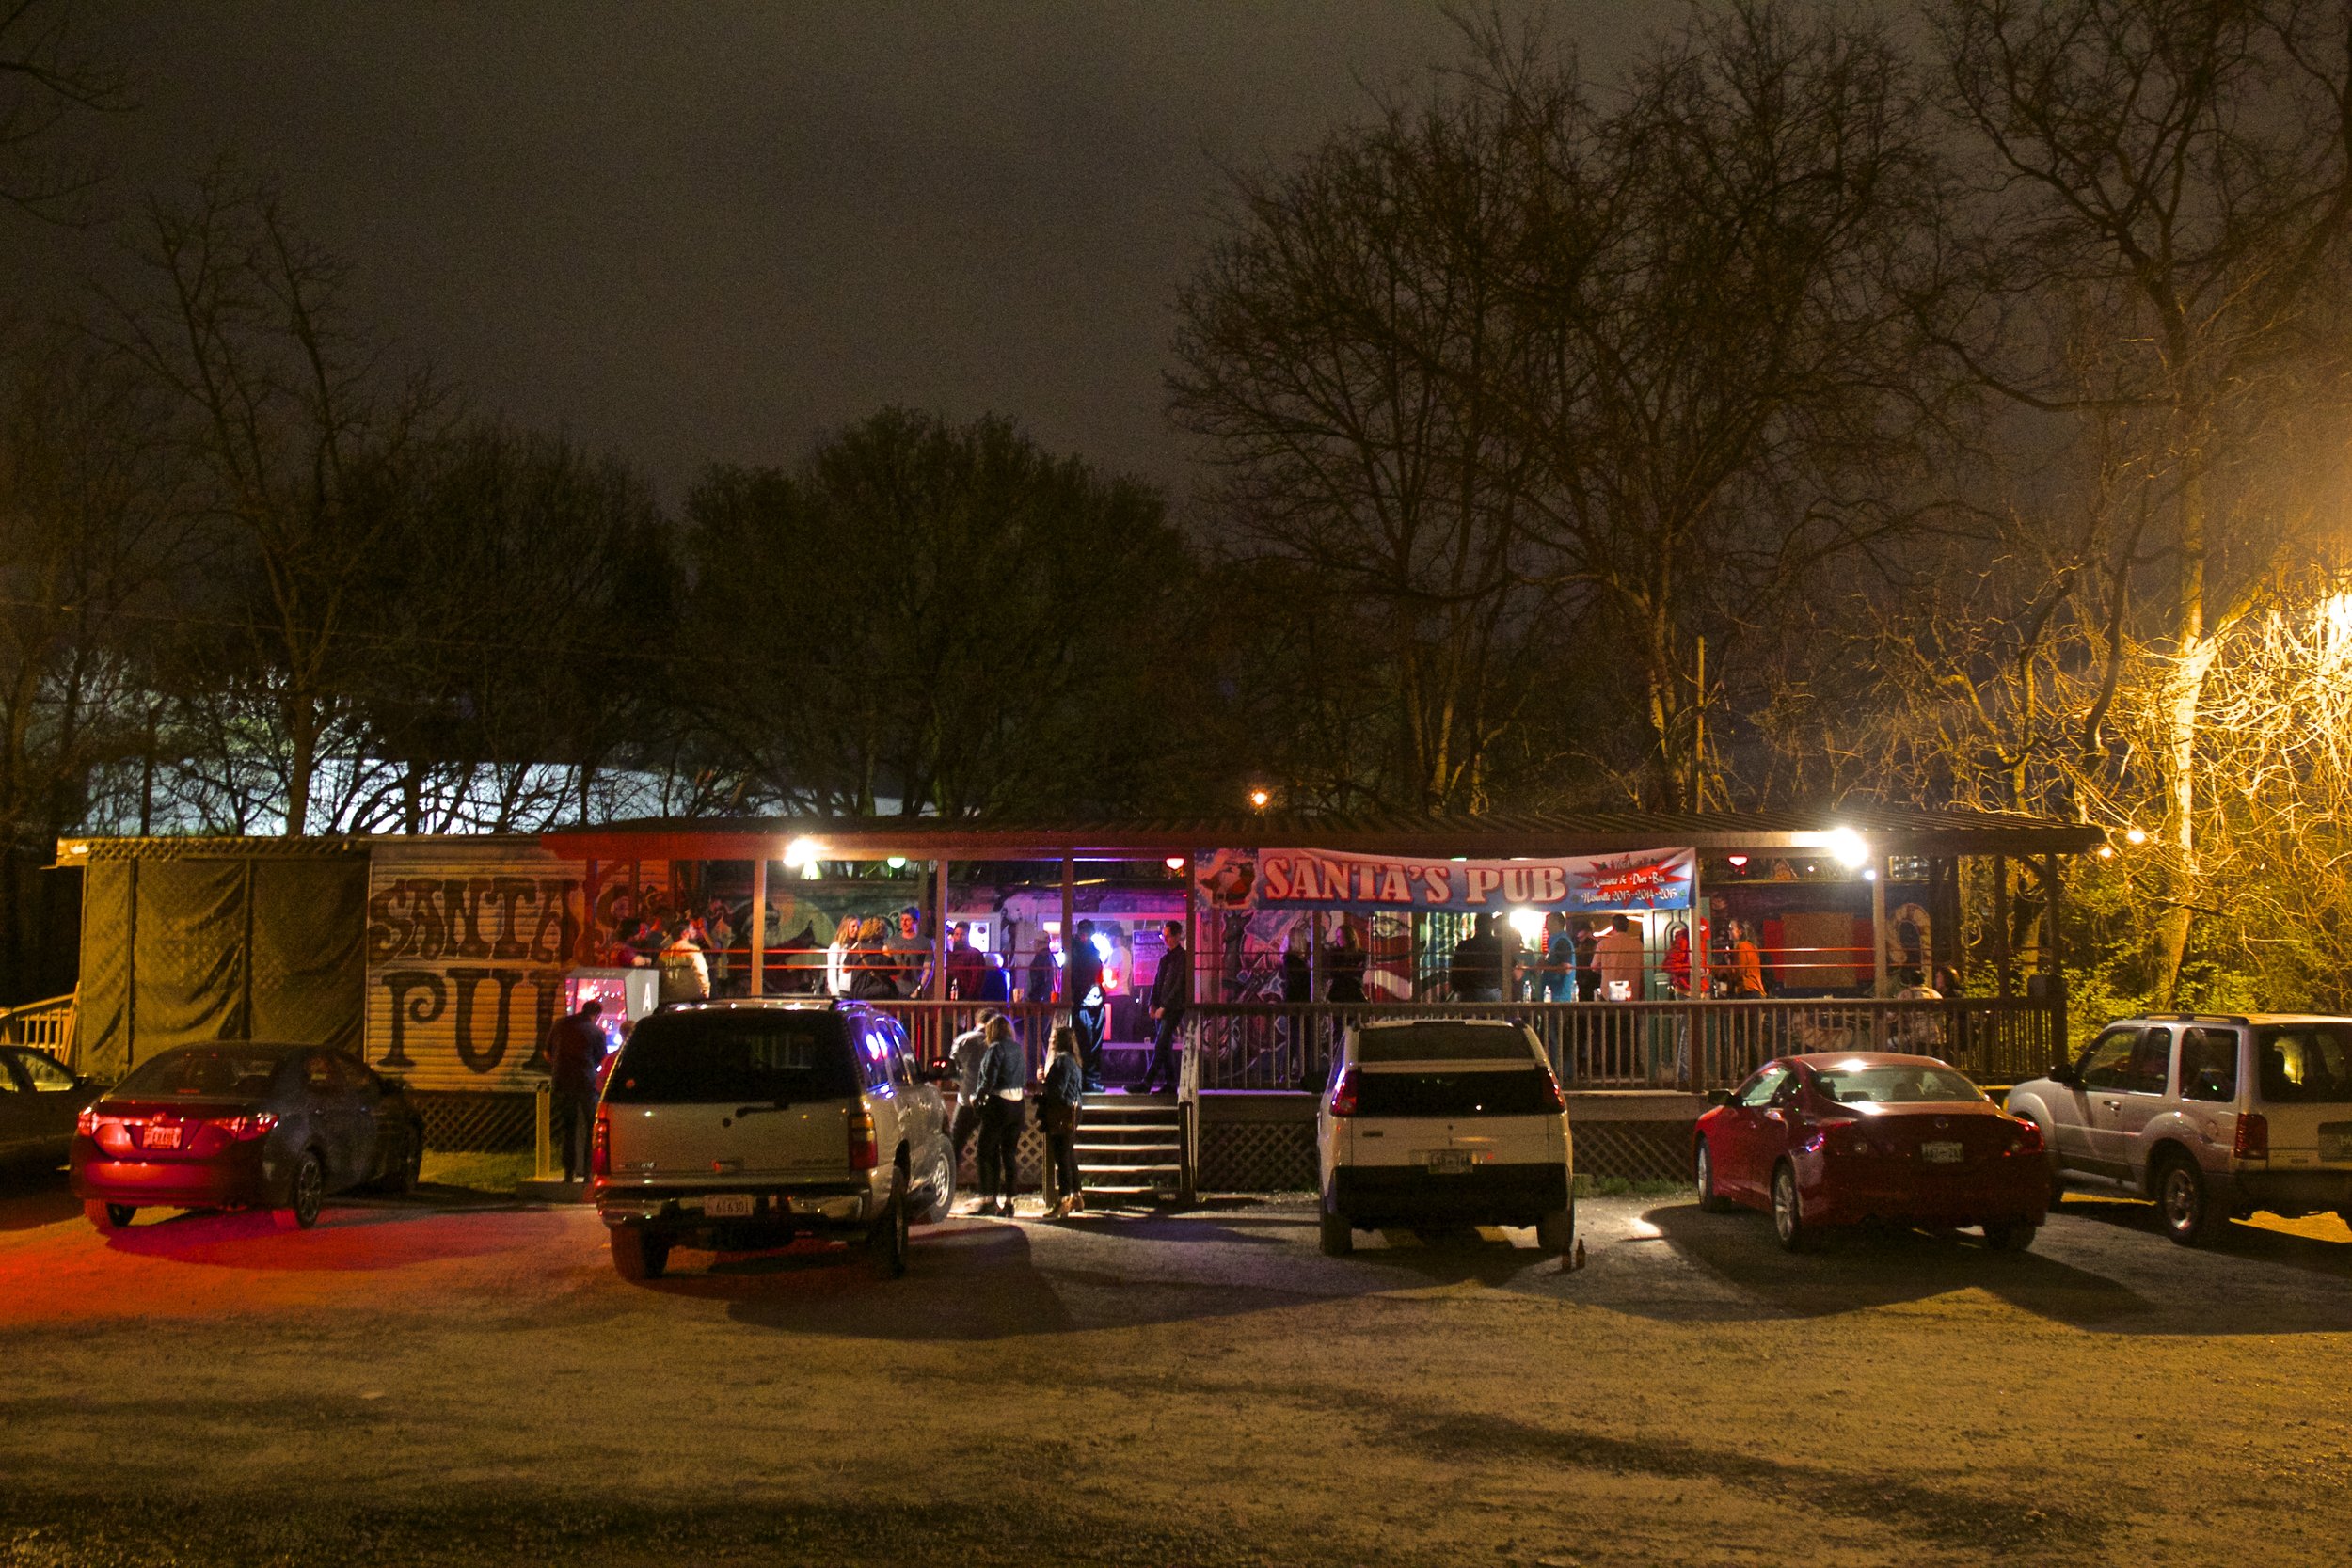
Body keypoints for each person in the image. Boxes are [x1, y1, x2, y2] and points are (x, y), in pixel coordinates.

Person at [543, 1000, 605, 1181]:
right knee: (591, 1129)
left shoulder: (560, 1024)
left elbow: (547, 1053)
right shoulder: (597, 1032)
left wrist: (559, 1066)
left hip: (562, 1082)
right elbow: (601, 1059)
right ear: (596, 1016)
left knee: (568, 1128)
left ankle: (568, 1172)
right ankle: (587, 1172)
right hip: (586, 1083)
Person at [972, 1014, 1026, 1217]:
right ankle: (1010, 1202)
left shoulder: (995, 1049)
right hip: (1017, 1104)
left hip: (999, 1104)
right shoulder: (1017, 1048)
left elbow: (988, 1079)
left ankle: (989, 1198)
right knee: (1009, 1153)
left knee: (985, 1151)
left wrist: (977, 1099)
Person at [1136, 920, 1189, 1094]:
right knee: (1164, 1045)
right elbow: (1157, 982)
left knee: (1161, 1043)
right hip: (1164, 1006)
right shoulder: (1165, 959)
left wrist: (1164, 1006)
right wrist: (1152, 1002)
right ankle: (1170, 1083)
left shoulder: (1182, 958)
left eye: (1168, 936)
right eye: (1163, 936)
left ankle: (1147, 1082)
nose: (1165, 940)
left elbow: (1178, 984)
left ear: (1177, 935)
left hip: (1173, 1008)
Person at [1039, 1024, 1087, 1217]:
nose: (1050, 1041)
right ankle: (1077, 1195)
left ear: (1061, 1041)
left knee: (1062, 1157)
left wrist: (1043, 1083)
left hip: (1062, 1112)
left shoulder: (1062, 1062)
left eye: (1053, 1038)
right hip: (1074, 1110)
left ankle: (1064, 1199)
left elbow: (1057, 1090)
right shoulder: (1074, 1061)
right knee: (1069, 1155)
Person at [946, 1013, 995, 1178]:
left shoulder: (963, 1040)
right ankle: (989, 1189)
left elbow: (950, 1070)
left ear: (977, 1022)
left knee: (955, 1143)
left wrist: (963, 1081)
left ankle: (950, 1181)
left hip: (966, 1099)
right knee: (989, 1148)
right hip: (991, 1101)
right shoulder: (998, 1044)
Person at [1068, 919, 1107, 1092]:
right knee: (1086, 1043)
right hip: (1085, 1002)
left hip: (1092, 1001)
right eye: (1084, 933)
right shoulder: (1077, 951)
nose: (1085, 936)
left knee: (1092, 1043)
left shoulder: (1080, 950)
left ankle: (1088, 1079)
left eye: (1087, 933)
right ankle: (1087, 1080)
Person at [1449, 912, 1504, 1002]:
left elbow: (1455, 972)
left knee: (1470, 1015)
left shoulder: (1464, 945)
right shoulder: (1499, 944)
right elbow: (1510, 967)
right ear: (1491, 926)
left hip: (1469, 993)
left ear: (1476, 926)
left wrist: (1458, 989)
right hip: (1493, 992)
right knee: (1493, 1015)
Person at [1325, 919, 1368, 1003]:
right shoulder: (1335, 953)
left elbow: (1359, 973)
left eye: (1340, 937)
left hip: (1353, 990)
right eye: (1337, 937)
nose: (1338, 939)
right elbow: (1333, 973)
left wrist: (1343, 970)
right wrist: (1351, 968)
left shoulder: (1360, 954)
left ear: (1348, 937)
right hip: (1338, 991)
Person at [1537, 912, 1576, 1003]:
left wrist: (1545, 966)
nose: (1545, 927)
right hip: (1554, 997)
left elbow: (1567, 968)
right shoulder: (1557, 942)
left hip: (1559, 999)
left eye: (1548, 923)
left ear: (1556, 923)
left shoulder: (1562, 942)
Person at [944, 923, 988, 1001]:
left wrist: (969, 998)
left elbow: (977, 979)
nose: (959, 937)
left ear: (968, 935)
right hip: (949, 999)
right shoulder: (948, 956)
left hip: (969, 1001)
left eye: (962, 934)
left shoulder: (974, 954)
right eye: (956, 934)